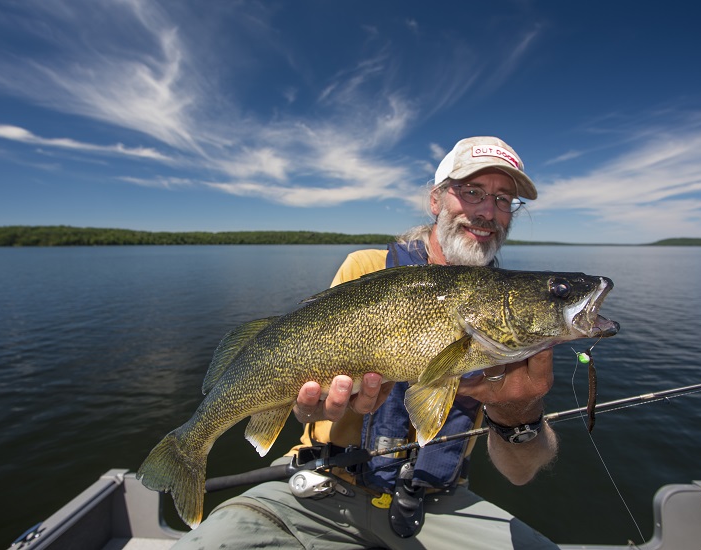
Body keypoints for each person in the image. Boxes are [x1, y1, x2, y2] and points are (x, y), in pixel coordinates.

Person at [177, 136, 559, 549]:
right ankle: (186, 448)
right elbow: (307, 373)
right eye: (472, 192)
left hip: (434, 502)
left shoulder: (507, 310)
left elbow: (521, 472)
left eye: (504, 200)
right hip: (323, 484)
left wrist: (518, 412)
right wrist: (305, 406)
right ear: (436, 199)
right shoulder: (367, 268)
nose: (488, 211)